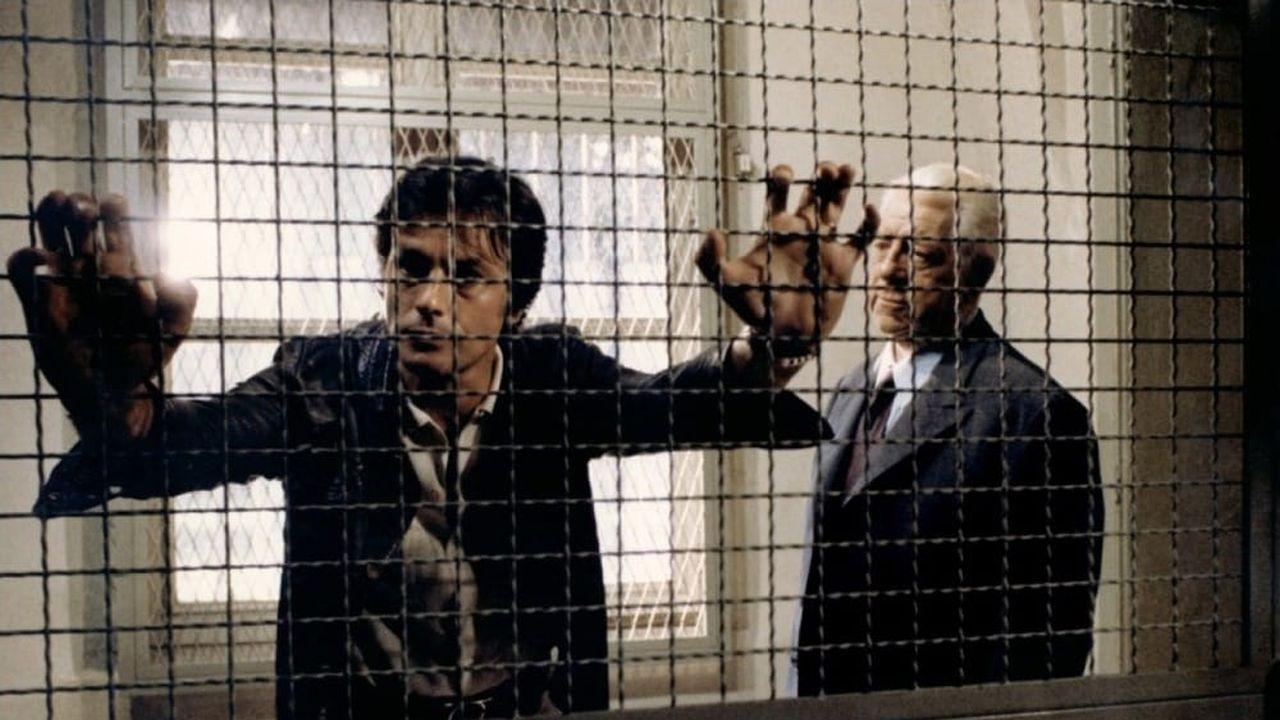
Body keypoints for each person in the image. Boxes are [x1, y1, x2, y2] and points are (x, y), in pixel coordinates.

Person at [8, 156, 877, 718]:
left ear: (516, 303)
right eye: (411, 267)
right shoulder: (321, 379)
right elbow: (171, 449)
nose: (429, 299)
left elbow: (674, 404)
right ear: (383, 274)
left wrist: (774, 346)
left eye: (467, 276)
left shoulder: (553, 375)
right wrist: (113, 396)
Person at [792, 163, 1105, 695]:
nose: (888, 270)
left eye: (919, 254)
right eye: (882, 244)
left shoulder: (1038, 417)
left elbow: (1049, 643)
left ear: (977, 271)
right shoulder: (850, 390)